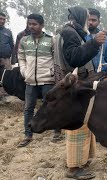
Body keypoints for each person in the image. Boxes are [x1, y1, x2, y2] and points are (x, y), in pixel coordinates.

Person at [55, 6, 106, 179]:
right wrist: (94, 43)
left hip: (72, 85)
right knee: (77, 127)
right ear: (80, 18)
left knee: (83, 125)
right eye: (87, 18)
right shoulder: (70, 33)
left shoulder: (69, 31)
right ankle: (74, 169)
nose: (88, 22)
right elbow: (74, 58)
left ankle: (82, 160)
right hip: (74, 88)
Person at [17, 14, 62, 147]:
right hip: (30, 81)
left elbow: (56, 59)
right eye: (29, 23)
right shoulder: (24, 41)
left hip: (47, 80)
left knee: (50, 106)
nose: (31, 26)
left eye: (34, 24)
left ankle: (57, 132)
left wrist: (53, 74)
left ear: (42, 25)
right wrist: (24, 72)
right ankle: (28, 135)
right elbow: (21, 57)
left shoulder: (50, 40)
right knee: (28, 109)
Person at [86, 8, 107, 77]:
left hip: (101, 76)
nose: (90, 22)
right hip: (85, 77)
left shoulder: (104, 38)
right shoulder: (80, 36)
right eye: (88, 19)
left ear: (99, 22)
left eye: (94, 20)